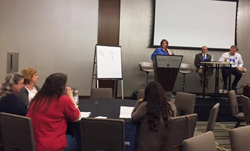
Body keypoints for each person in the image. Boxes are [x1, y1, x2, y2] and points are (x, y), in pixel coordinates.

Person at [26, 73, 80, 151]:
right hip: (51, 146)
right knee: (79, 137)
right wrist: (70, 96)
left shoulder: (36, 99)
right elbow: (76, 117)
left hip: (33, 143)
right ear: (62, 87)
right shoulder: (63, 99)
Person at [131, 81, 175, 151]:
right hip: (164, 146)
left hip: (144, 147)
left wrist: (138, 103)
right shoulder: (170, 105)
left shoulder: (145, 106)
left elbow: (134, 118)